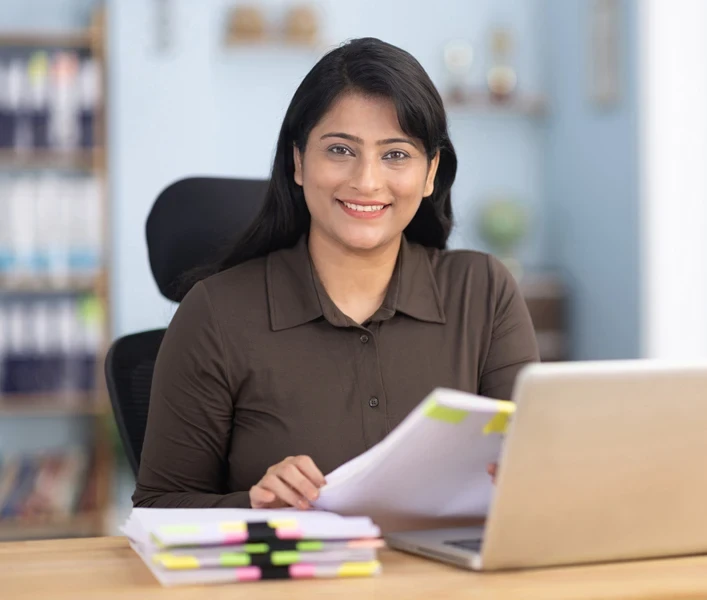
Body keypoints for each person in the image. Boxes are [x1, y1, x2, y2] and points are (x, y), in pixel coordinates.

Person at [133, 37, 539, 510]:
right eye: (341, 150)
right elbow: (159, 506)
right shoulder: (216, 314)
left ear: (431, 173)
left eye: (396, 154)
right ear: (299, 161)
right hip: (291, 581)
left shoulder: (485, 293)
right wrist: (255, 505)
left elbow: (532, 471)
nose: (366, 181)